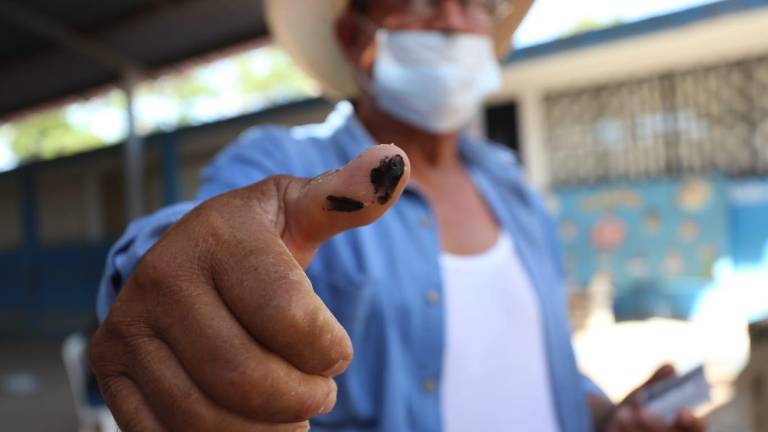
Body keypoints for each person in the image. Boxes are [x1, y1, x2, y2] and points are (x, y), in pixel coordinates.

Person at [89, 1, 706, 431]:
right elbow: (194, 241)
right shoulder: (285, 164)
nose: (454, 20)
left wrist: (608, 416)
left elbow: (542, 363)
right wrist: (171, 273)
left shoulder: (511, 184)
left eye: (478, 3)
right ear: (358, 38)